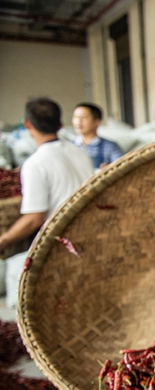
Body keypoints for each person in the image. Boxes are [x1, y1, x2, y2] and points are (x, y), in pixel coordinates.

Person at [0, 98, 94, 308]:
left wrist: (4, 240)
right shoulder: (78, 151)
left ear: (27, 125)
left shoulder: (35, 164)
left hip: (62, 250)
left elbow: (34, 219)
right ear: (61, 125)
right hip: (91, 237)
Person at [72, 102, 124, 169]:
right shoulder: (69, 146)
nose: (78, 121)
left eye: (83, 117)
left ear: (96, 122)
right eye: (75, 117)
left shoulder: (111, 147)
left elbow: (122, 168)